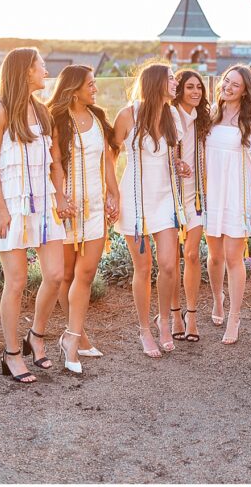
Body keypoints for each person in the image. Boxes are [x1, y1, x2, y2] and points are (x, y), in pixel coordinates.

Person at [0, 48, 66, 383]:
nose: (46, 71)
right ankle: (11, 353)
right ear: (25, 71)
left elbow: (54, 162)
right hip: (9, 204)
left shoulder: (43, 112)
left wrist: (62, 195)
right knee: (16, 281)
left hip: (43, 205)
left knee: (56, 275)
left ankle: (36, 336)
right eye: (41, 66)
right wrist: (0, 208)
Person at [113, 62, 190, 357]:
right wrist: (110, 192)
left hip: (165, 199)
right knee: (143, 268)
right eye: (171, 79)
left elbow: (172, 156)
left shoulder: (172, 114)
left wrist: (179, 165)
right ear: (156, 82)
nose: (175, 83)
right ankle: (144, 328)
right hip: (134, 199)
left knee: (170, 265)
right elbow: (110, 155)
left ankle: (165, 321)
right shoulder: (127, 115)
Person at [47, 65, 119, 372]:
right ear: (74, 88)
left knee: (86, 274)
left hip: (94, 208)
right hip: (67, 207)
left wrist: (113, 194)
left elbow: (108, 162)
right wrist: (61, 200)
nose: (95, 89)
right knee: (65, 275)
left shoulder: (99, 118)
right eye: (90, 84)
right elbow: (56, 164)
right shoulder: (56, 119)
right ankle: (78, 336)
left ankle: (72, 339)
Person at [203, 64, 251, 345]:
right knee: (214, 255)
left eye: (235, 84)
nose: (228, 87)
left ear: (245, 90)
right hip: (212, 190)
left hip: (237, 191)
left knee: (232, 257)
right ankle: (218, 299)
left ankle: (235, 317)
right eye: (226, 81)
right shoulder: (210, 113)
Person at [169, 70, 210, 341]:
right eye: (189, 87)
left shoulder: (204, 120)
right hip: (170, 194)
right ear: (179, 90)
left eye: (199, 88)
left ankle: (192, 314)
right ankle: (174, 314)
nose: (195, 92)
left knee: (192, 254)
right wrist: (175, 162)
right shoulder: (167, 117)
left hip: (195, 195)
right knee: (171, 259)